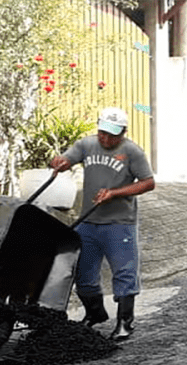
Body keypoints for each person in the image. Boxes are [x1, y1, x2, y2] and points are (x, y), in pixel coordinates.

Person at [49, 107, 155, 342]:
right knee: (83, 273)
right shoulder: (87, 144)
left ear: (123, 132)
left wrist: (115, 193)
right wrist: (60, 162)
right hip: (88, 220)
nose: (106, 139)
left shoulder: (132, 152)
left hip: (119, 223)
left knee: (124, 272)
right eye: (103, 133)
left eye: (113, 134)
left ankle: (125, 321)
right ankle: (95, 313)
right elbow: (68, 158)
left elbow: (148, 183)